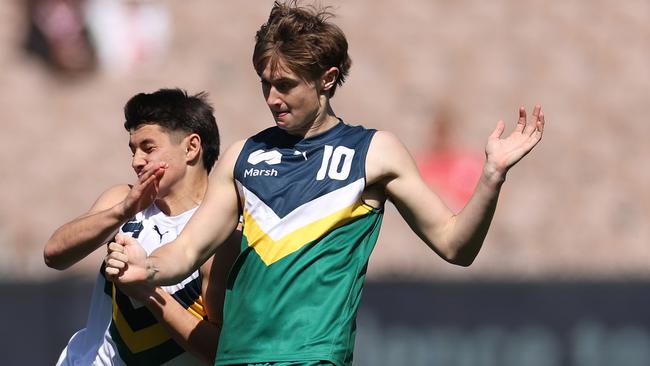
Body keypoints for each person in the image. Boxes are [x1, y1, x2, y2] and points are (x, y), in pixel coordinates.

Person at [105, 2, 546, 365]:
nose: (272, 98)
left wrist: (491, 177)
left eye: (285, 85)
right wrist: (147, 266)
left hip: (312, 358)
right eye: (265, 84)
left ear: (327, 79)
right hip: (235, 360)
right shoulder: (243, 156)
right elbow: (185, 250)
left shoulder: (374, 152)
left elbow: (455, 246)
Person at [44, 88, 239, 365]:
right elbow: (54, 254)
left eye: (148, 148)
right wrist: (123, 211)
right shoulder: (122, 201)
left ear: (191, 147)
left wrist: (148, 292)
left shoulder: (223, 233)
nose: (136, 161)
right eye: (133, 150)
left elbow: (219, 350)